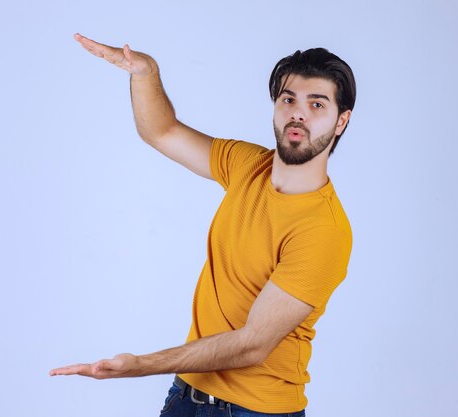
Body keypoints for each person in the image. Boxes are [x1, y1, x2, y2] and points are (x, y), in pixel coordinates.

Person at [50, 33, 357, 417]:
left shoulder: (323, 230)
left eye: (317, 104)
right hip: (186, 396)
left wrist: (141, 365)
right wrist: (146, 72)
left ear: (341, 120)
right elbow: (161, 131)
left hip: (257, 410)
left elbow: (252, 345)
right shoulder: (248, 164)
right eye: (288, 99)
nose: (298, 113)